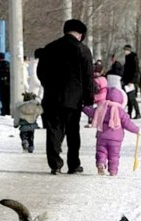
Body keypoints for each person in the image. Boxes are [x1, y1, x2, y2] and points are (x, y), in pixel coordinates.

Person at [37, 19, 94, 175]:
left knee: (54, 131)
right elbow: (88, 76)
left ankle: (55, 164)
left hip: (52, 98)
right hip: (73, 100)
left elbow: (40, 72)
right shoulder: (82, 50)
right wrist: (89, 98)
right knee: (73, 132)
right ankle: (73, 164)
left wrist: (49, 86)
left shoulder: (49, 48)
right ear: (80, 33)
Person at [82, 87, 140, 176]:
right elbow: (127, 123)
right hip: (116, 139)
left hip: (102, 136)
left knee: (101, 152)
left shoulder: (101, 107)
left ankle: (101, 163)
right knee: (114, 156)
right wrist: (136, 130)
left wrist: (84, 107)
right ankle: (113, 171)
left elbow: (91, 112)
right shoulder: (121, 111)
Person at [85, 60, 108, 128]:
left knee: (90, 107)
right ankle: (100, 120)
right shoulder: (104, 79)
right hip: (103, 97)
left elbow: (94, 89)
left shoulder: (95, 80)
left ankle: (91, 120)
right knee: (101, 109)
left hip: (96, 97)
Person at [122, 44, 141, 119]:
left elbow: (135, 71)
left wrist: (132, 81)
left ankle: (137, 113)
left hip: (131, 81)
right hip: (127, 80)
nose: (125, 51)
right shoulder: (127, 58)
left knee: (132, 98)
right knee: (128, 98)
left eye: (126, 50)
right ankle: (129, 113)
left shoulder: (133, 58)